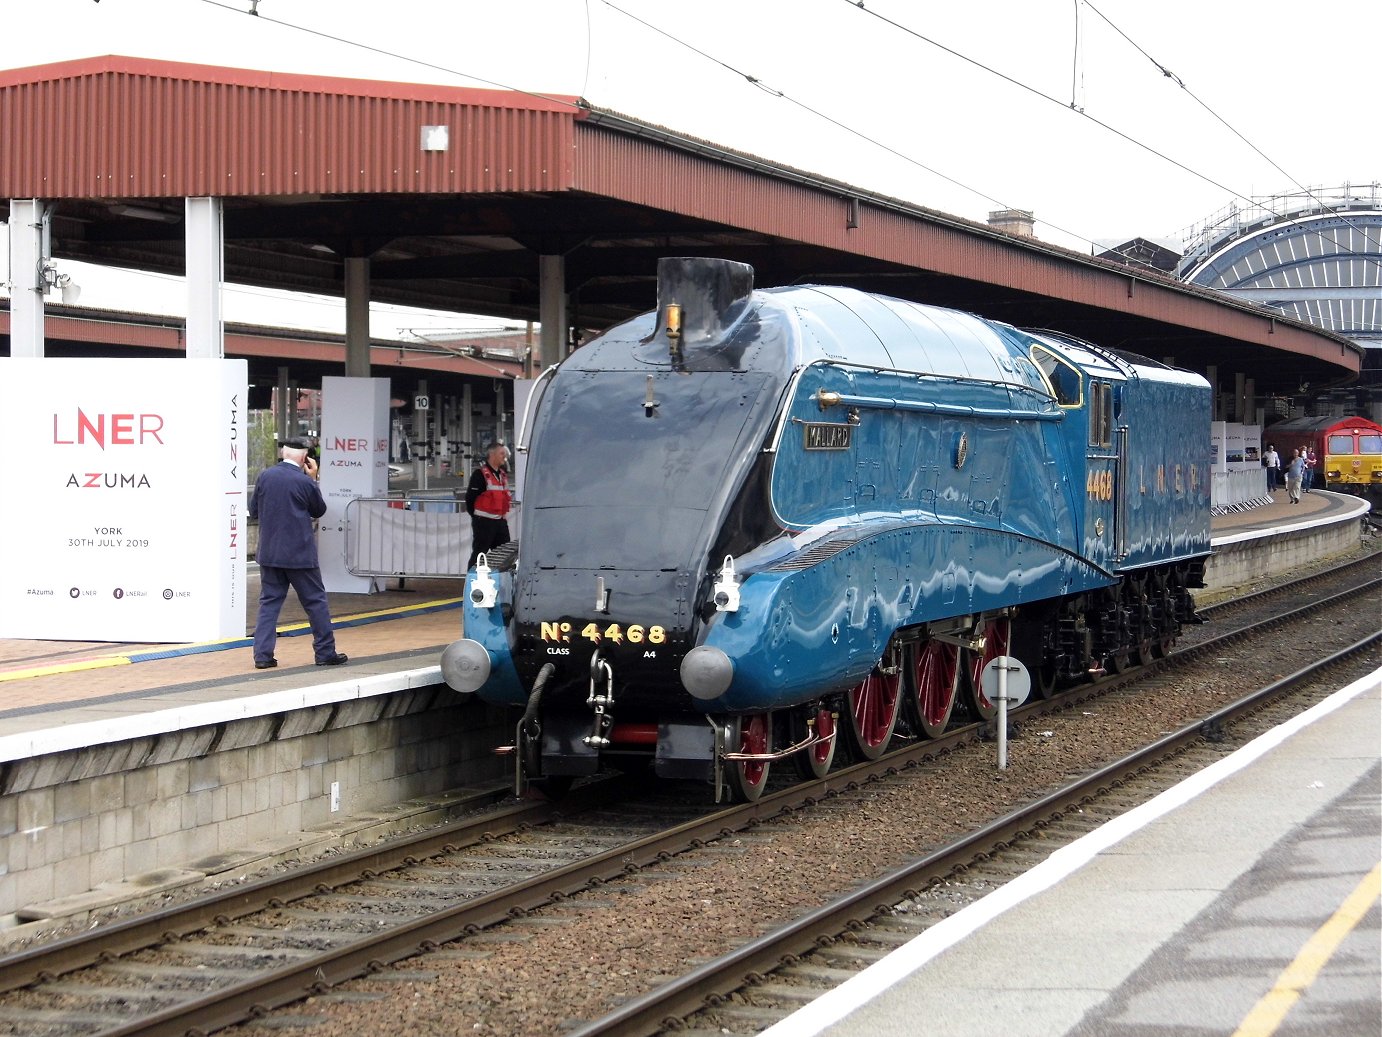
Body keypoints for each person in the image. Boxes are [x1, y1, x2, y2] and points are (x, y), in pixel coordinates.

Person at [248, 437, 348, 669]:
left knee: (269, 603)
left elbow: (254, 511)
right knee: (315, 602)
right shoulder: (304, 481)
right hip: (299, 554)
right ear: (305, 458)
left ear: (283, 454)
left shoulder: (265, 476)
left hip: (270, 553)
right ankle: (325, 652)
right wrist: (313, 480)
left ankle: (262, 656)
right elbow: (319, 509)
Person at [466, 441, 512, 570]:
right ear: (492, 455)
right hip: (484, 523)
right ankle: (472, 582)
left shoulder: (502, 475)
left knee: (505, 555)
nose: (505, 456)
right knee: (480, 554)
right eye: (502, 453)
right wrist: (478, 518)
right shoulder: (480, 475)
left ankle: (503, 584)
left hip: (500, 522)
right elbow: (470, 499)